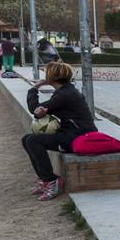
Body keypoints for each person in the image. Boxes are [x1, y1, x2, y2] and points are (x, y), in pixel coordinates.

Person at [21, 61, 98, 201]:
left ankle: (51, 180)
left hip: (79, 137)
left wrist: (34, 88)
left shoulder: (65, 94)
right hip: (72, 133)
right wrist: (39, 111)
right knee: (27, 139)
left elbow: (34, 109)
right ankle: (44, 179)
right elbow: (39, 111)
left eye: (46, 73)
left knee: (33, 140)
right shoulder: (66, 91)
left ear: (52, 76)